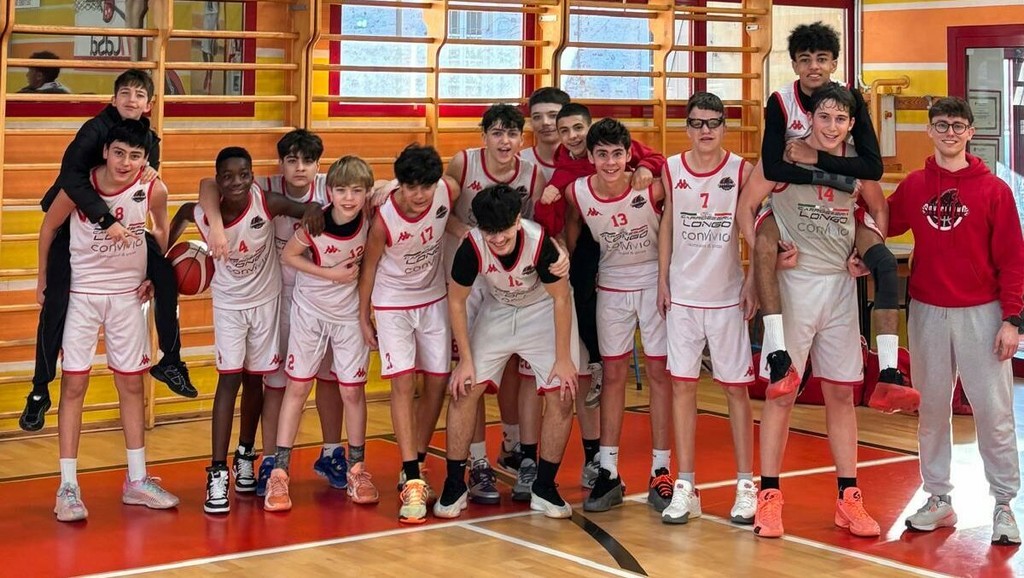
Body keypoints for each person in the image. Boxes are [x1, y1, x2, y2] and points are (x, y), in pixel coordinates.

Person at [739, 22, 915, 413]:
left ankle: (889, 373)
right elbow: (772, 168)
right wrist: (755, 269)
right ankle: (778, 355)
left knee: (885, 265)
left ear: (835, 64)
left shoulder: (850, 102)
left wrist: (818, 162)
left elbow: (872, 169)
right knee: (765, 246)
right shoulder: (781, 103)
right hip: (790, 208)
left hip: (840, 215)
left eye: (822, 59)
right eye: (805, 60)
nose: (814, 67)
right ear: (794, 65)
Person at [740, 84, 882, 539]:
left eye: (840, 119)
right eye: (824, 117)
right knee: (781, 393)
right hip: (794, 288)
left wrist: (867, 253)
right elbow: (746, 207)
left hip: (839, 288)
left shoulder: (858, 165)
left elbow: (880, 211)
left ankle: (848, 497)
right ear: (811, 118)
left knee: (841, 395)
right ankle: (769, 496)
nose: (831, 126)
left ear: (851, 124)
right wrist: (763, 258)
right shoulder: (785, 155)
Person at [22, 69, 193, 434]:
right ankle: (39, 389)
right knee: (54, 304)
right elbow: (72, 179)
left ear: (150, 104)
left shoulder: (147, 139)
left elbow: (144, 191)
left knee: (164, 272)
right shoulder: (93, 131)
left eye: (139, 95)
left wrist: (148, 270)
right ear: (114, 99)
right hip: (76, 224)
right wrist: (104, 220)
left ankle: (171, 360)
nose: (132, 100)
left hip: (122, 230)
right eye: (125, 93)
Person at [889, 97, 1023, 545]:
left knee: (993, 412)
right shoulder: (914, 185)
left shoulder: (994, 190)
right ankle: (938, 498)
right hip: (927, 310)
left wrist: (1013, 319)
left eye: (958, 126)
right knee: (931, 410)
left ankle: (1004, 503)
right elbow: (880, 221)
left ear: (970, 133)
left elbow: (1014, 260)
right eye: (942, 125)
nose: (950, 132)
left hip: (982, 313)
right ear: (930, 130)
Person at [37, 120, 178, 521]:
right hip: (81, 297)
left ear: (145, 159)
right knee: (74, 385)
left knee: (132, 384)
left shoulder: (154, 188)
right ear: (105, 151)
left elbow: (161, 230)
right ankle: (68, 487)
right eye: (119, 153)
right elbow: (48, 227)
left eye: (135, 156)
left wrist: (155, 274)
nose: (125, 162)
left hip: (128, 298)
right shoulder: (80, 187)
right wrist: (43, 281)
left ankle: (137, 480)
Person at [168, 147, 319, 514]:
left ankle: (246, 454)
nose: (236, 182)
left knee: (255, 381)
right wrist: (163, 257)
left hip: (266, 301)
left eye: (243, 175)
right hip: (229, 306)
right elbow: (183, 212)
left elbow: (307, 209)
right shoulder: (205, 214)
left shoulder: (267, 202)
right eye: (228, 176)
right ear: (219, 180)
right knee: (229, 380)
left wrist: (314, 212)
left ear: (252, 176)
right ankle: (217, 471)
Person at [198, 129, 344, 497]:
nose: (300, 167)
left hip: (324, 295)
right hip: (277, 297)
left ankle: (331, 452)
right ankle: (270, 462)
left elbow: (370, 190)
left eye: (308, 161)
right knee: (274, 382)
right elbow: (208, 185)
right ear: (280, 164)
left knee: (328, 378)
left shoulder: (331, 189)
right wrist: (215, 225)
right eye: (292, 160)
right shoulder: (260, 187)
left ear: (319, 165)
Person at [434, 183, 579, 520]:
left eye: (504, 231)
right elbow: (456, 301)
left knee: (563, 392)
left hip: (542, 310)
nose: (497, 239)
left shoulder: (540, 243)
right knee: (464, 388)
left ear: (517, 220)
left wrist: (563, 359)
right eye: (490, 233)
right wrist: (465, 361)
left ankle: (544, 487)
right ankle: (454, 485)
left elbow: (561, 299)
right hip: (498, 309)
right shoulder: (472, 246)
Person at [657, 92, 758, 525]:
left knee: (736, 390)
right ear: (687, 127)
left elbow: (752, 227)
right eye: (698, 122)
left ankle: (746, 484)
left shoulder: (741, 170)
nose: (705, 130)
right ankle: (685, 486)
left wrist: (754, 279)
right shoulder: (671, 168)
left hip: (727, 297)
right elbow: (666, 223)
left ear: (724, 127)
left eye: (713, 122)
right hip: (682, 297)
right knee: (682, 388)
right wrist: (662, 278)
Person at [562, 118, 673, 513]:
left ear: (629, 155)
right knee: (612, 376)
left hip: (654, 284)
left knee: (659, 375)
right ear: (590, 157)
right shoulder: (577, 193)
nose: (610, 162)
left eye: (617, 154)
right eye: (602, 154)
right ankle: (607, 471)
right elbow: (571, 236)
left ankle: (661, 470)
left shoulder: (652, 187)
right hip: (610, 286)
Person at [264, 156, 380, 511]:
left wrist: (379, 189)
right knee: (298, 387)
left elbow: (389, 188)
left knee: (352, 391)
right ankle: (280, 473)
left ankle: (357, 469)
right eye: (341, 190)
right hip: (310, 311)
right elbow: (289, 257)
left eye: (357, 191)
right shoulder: (316, 222)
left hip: (348, 315)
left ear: (366, 193)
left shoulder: (370, 216)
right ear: (329, 191)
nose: (349, 198)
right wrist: (332, 275)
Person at [444, 104, 544, 502]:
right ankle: (478, 461)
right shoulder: (463, 162)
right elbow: (441, 209)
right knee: (470, 374)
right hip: (468, 274)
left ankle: (513, 444)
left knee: (515, 365)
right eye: (497, 133)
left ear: (521, 139)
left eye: (512, 133)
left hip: (509, 278)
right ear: (483, 135)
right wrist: (474, 237)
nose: (504, 141)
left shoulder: (531, 174)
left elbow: (532, 225)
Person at [357, 144, 461, 524]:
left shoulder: (446, 191)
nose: (419, 195)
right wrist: (363, 316)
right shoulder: (384, 219)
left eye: (425, 186)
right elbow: (368, 268)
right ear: (400, 184)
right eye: (411, 186)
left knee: (438, 382)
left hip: (433, 299)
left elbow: (453, 191)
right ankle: (413, 477)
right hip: (392, 303)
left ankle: (415, 459)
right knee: (402, 383)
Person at [519, 87, 569, 180]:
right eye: (537, 117)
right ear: (531, 122)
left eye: (553, 116)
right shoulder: (518, 161)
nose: (545, 122)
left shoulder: (584, 160)